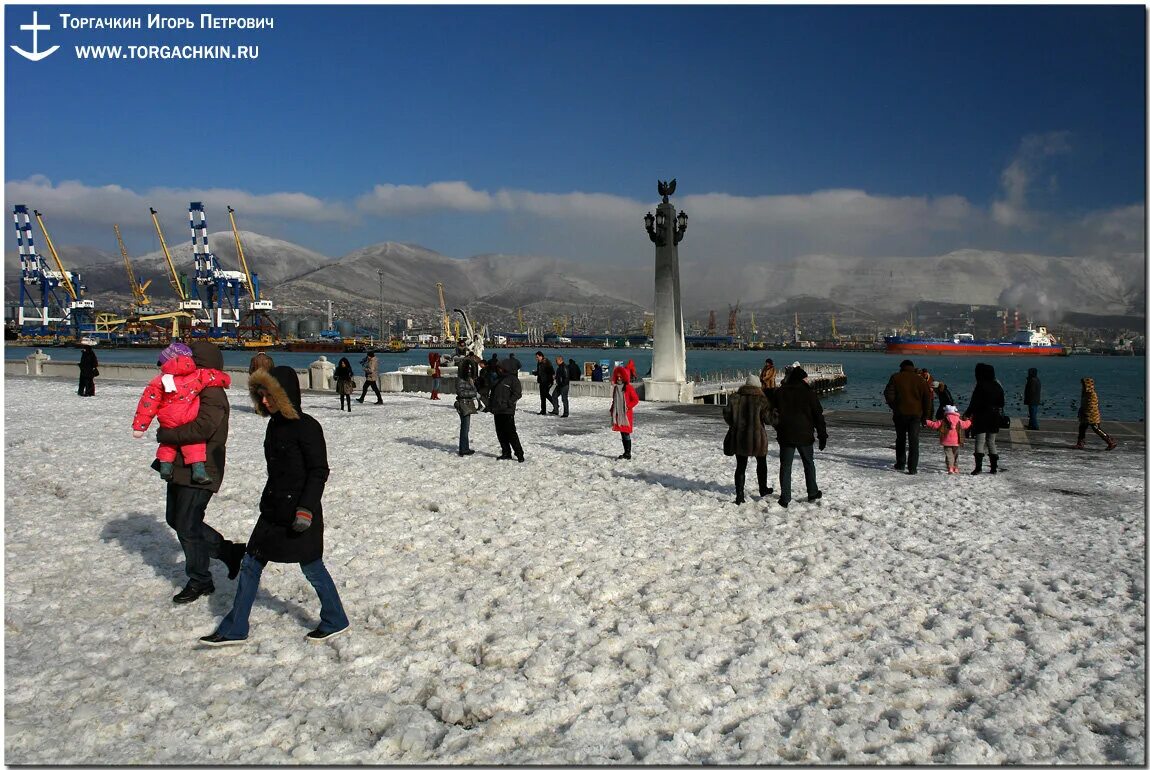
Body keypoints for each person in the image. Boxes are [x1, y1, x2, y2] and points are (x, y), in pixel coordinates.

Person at [200, 365, 349, 646]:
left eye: (269, 396)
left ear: (284, 395)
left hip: (299, 513)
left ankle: (335, 618)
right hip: (272, 512)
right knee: (250, 564)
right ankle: (236, 627)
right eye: (260, 396)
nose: (264, 401)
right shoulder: (275, 425)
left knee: (312, 567)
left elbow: (319, 471)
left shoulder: (307, 427)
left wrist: (305, 509)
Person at [152, 340, 245, 605]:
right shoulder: (189, 387)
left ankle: (200, 579)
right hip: (181, 465)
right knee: (175, 519)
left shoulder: (212, 391)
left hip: (203, 468)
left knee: (187, 525)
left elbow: (203, 428)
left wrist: (168, 433)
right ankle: (227, 550)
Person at [132, 341, 231, 485]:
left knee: (167, 445)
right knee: (195, 444)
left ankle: (165, 466)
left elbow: (147, 404)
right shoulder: (198, 377)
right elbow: (200, 430)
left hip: (167, 418)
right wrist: (226, 380)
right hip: (187, 418)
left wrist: (140, 427)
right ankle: (198, 469)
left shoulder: (160, 380)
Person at [772, 366, 827, 507]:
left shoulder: (780, 392)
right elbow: (818, 415)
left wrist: (778, 427)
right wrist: (822, 435)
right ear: (802, 378)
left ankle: (785, 497)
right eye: (805, 378)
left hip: (786, 434)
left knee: (785, 466)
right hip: (805, 434)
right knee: (808, 464)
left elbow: (772, 413)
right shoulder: (809, 393)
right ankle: (813, 492)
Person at [722, 375, 775, 505]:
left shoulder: (735, 398)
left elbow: (727, 415)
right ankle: (763, 489)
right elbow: (769, 420)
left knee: (741, 466)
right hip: (757, 439)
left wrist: (735, 424)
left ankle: (739, 496)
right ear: (757, 385)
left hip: (739, 437)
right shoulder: (761, 400)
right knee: (761, 463)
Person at [883, 359, 931, 474]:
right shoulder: (920, 380)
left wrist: (894, 406)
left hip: (900, 414)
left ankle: (900, 464)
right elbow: (927, 399)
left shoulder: (896, 377)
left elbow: (888, 394)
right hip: (916, 415)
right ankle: (913, 468)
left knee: (901, 439)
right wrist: (926, 416)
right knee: (914, 441)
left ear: (902, 367)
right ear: (913, 367)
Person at [962, 362, 1006, 475]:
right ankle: (994, 468)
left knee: (980, 441)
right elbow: (1002, 403)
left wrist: (967, 413)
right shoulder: (997, 386)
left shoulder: (980, 386)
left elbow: (974, 403)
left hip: (981, 416)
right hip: (994, 416)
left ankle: (978, 468)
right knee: (991, 442)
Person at [488, 358, 524, 462]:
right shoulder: (497, 380)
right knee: (500, 433)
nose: (498, 370)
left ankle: (519, 453)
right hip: (497, 410)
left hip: (507, 410)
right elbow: (492, 394)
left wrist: (509, 402)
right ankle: (506, 452)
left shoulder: (513, 379)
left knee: (511, 433)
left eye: (499, 368)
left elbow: (517, 393)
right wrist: (490, 406)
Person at [925, 404, 973, 474]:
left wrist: (927, 422)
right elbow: (965, 425)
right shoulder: (959, 421)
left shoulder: (943, 421)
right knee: (955, 455)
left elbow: (935, 425)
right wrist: (970, 421)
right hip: (956, 441)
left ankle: (950, 467)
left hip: (946, 441)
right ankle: (955, 468)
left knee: (949, 455)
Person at [1075, 377, 1118, 451]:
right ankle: (1080, 443)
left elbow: (1091, 406)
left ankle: (1110, 441)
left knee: (1096, 428)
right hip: (1087, 414)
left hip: (1091, 415)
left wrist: (1086, 413)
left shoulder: (1091, 394)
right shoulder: (1086, 393)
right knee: (1082, 427)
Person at [609, 362, 640, 460]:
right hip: (618, 413)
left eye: (620, 377)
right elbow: (615, 400)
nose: (619, 378)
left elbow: (635, 400)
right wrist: (612, 409)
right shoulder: (616, 388)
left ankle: (628, 453)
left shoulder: (628, 388)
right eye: (617, 377)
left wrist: (628, 407)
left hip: (626, 414)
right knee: (622, 433)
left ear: (624, 377)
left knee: (626, 433)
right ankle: (626, 452)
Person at [455, 359, 480, 456]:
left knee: (466, 427)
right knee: (465, 427)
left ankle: (465, 447)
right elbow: (461, 392)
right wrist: (474, 393)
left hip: (468, 403)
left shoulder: (468, 380)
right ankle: (463, 449)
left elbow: (473, 389)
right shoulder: (460, 380)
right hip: (463, 403)